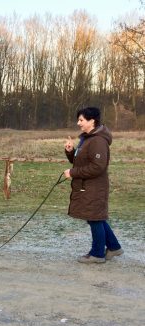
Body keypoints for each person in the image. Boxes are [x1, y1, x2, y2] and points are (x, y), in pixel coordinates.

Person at [63, 106, 123, 264]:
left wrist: (73, 173)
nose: (78, 123)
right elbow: (82, 162)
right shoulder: (87, 138)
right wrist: (71, 151)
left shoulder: (97, 140)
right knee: (96, 218)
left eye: (81, 120)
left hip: (95, 187)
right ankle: (114, 247)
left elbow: (98, 167)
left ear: (92, 121)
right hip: (88, 186)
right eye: (78, 120)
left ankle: (97, 254)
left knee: (94, 218)